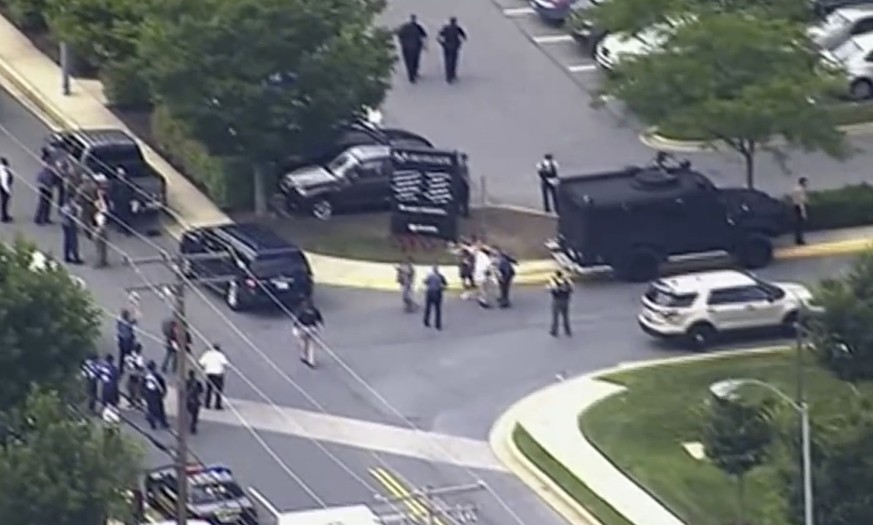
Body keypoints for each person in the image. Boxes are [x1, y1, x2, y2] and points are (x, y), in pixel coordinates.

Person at [396, 14, 427, 83]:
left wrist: (402, 41)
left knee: (408, 61)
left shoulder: (404, 27)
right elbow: (424, 35)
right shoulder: (418, 27)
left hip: (406, 47)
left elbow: (399, 35)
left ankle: (411, 76)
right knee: (415, 60)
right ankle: (414, 73)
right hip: (416, 47)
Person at [199, 343, 229, 409]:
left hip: (209, 374)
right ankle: (217, 405)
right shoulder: (220, 355)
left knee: (209, 389)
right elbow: (225, 363)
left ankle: (207, 404)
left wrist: (205, 368)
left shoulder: (207, 354)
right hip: (218, 374)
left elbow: (201, 362)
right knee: (218, 390)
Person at [296, 300, 324, 368]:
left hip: (305, 329)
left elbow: (297, 321)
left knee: (305, 344)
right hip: (311, 328)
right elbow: (320, 320)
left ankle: (307, 358)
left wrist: (296, 329)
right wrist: (320, 327)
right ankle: (309, 360)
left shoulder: (302, 311)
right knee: (309, 345)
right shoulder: (315, 310)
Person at [437, 17, 467, 83]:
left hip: (447, 47)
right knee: (453, 61)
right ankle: (452, 75)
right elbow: (464, 37)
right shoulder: (457, 28)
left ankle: (448, 76)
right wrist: (459, 43)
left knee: (447, 61)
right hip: (454, 47)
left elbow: (438, 36)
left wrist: (442, 43)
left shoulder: (446, 28)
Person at [143, 360, 169, 430]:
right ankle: (163, 423)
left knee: (151, 408)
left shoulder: (146, 376)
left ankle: (152, 423)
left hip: (149, 394)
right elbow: (162, 384)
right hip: (156, 394)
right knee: (160, 408)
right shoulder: (157, 376)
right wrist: (164, 392)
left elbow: (143, 386)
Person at [547, 270, 574, 337]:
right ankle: (567, 331)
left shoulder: (554, 281)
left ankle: (554, 331)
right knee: (565, 316)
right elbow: (571, 289)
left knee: (555, 317)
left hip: (557, 301)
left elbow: (551, 289)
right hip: (565, 300)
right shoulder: (567, 281)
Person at [422, 265, 447, 329]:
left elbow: (425, 282)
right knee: (437, 309)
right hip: (437, 293)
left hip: (430, 292)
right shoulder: (440, 276)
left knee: (428, 308)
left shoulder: (430, 276)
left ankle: (426, 321)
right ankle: (438, 324)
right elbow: (445, 284)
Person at [112, 167, 134, 236]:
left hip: (126, 201)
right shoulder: (115, 182)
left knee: (127, 216)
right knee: (120, 215)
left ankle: (127, 230)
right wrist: (112, 200)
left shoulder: (128, 181)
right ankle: (121, 228)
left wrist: (133, 199)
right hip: (118, 201)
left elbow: (132, 190)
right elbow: (111, 192)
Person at [60, 198, 83, 264]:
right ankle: (76, 258)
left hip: (65, 224)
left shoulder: (67, 206)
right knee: (73, 241)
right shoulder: (69, 207)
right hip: (69, 225)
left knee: (67, 240)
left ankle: (67, 256)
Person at [124, 342, 145, 409]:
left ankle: (133, 402)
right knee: (137, 389)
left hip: (131, 374)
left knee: (130, 388)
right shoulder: (139, 358)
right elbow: (141, 367)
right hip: (137, 375)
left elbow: (126, 363)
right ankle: (137, 402)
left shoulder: (128, 356)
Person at [116, 308, 137, 374]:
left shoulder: (120, 322)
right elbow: (133, 324)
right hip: (128, 342)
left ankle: (121, 369)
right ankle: (130, 366)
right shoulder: (128, 323)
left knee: (122, 356)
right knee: (130, 355)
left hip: (121, 341)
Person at [790, 177, 809, 245]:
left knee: (797, 224)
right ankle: (800, 240)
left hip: (795, 206)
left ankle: (798, 239)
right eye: (806, 182)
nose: (807, 184)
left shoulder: (795, 189)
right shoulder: (800, 190)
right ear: (803, 182)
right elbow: (801, 201)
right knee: (800, 224)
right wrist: (803, 212)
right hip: (799, 207)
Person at [185, 370, 204, 434]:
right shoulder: (198, 383)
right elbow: (201, 392)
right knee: (195, 415)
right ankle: (193, 427)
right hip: (196, 401)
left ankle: (191, 424)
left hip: (188, 400)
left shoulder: (186, 382)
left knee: (190, 413)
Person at [93, 197, 109, 268]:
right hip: (101, 230)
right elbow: (104, 207)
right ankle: (102, 261)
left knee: (99, 248)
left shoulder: (97, 214)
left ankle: (100, 262)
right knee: (102, 247)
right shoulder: (101, 214)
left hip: (98, 230)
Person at [0, 157, 13, 222]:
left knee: (4, 203)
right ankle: (4, 217)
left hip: (3, 187)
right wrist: (8, 191)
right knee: (4, 203)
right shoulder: (4, 172)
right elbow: (4, 183)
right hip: (4, 188)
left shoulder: (2, 169)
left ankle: (5, 216)